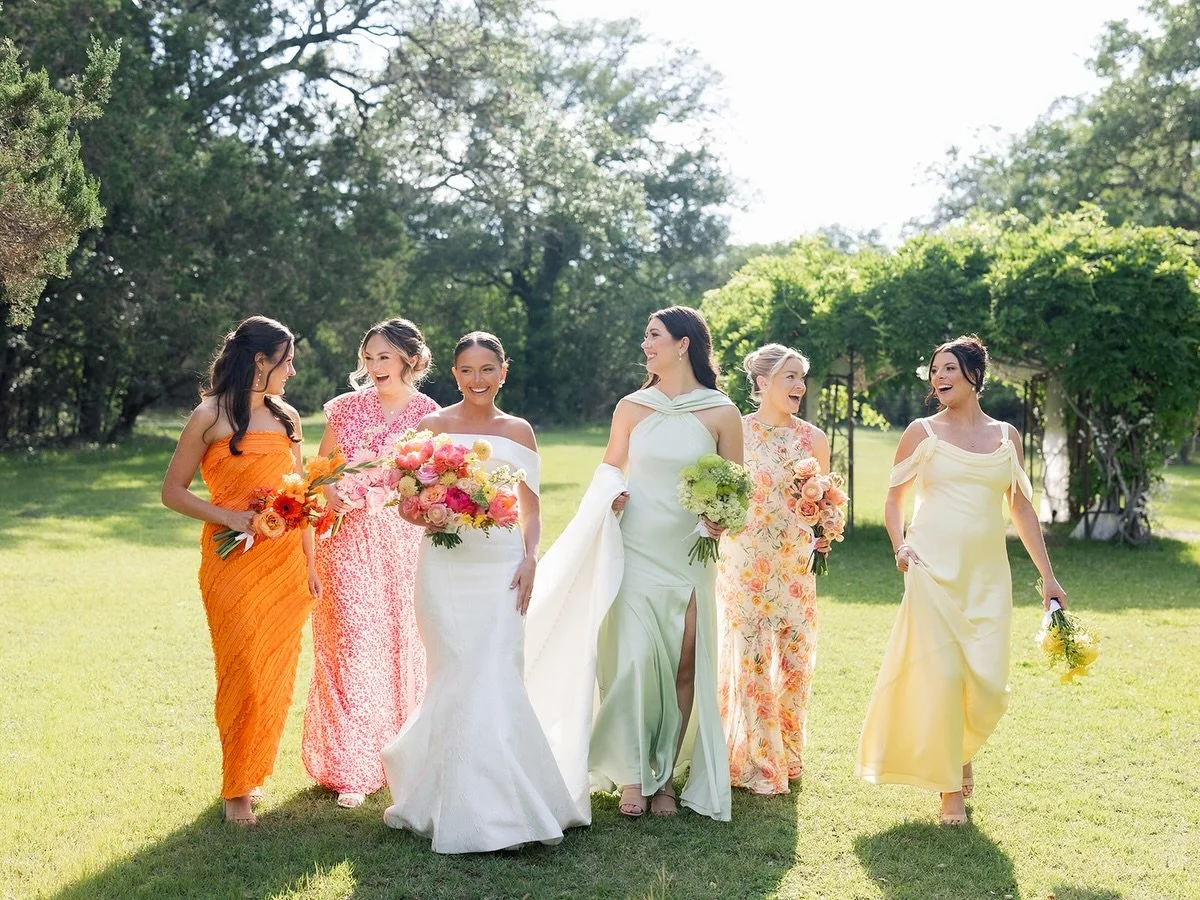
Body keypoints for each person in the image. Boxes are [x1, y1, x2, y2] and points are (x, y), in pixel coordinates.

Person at [380, 331, 583, 853]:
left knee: (494, 673)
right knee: (456, 673)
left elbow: (531, 509)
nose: (478, 379)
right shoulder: (431, 427)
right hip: (446, 567)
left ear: (504, 372)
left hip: (499, 566)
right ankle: (446, 799)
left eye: (488, 369)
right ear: (454, 374)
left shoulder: (519, 430)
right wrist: (425, 507)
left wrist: (530, 557)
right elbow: (405, 503)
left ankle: (502, 808)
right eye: (467, 370)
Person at [854, 334, 1069, 825]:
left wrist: (1049, 578)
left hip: (987, 575)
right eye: (934, 371)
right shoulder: (921, 432)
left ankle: (961, 752)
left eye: (949, 368)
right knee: (945, 674)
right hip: (930, 568)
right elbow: (892, 499)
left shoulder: (1005, 437)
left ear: (975, 375)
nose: (939, 378)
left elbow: (1020, 508)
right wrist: (899, 543)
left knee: (986, 682)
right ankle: (950, 788)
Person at [161, 315, 319, 827]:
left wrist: (311, 564)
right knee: (243, 670)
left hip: (285, 563)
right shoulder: (208, 416)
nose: (292, 371)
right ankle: (235, 790)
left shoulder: (289, 418)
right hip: (231, 561)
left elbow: (301, 496)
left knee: (274, 671)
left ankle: (251, 774)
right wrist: (229, 515)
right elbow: (173, 492)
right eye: (287, 360)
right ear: (260, 360)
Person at [587, 306, 744, 821]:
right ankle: (634, 775)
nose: (645, 344)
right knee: (633, 660)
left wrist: (723, 519)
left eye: (653, 336)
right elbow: (611, 465)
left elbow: (738, 487)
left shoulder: (722, 411)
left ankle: (665, 781)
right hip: (636, 546)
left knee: (683, 664)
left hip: (690, 553)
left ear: (683, 344)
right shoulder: (632, 407)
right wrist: (611, 494)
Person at [301, 318, 439, 808]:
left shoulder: (428, 414)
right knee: (351, 643)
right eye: (369, 358)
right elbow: (318, 472)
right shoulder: (345, 409)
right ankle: (351, 768)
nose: (375, 366)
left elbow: (430, 482)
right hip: (346, 538)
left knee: (400, 644)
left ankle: (399, 754)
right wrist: (332, 488)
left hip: (401, 542)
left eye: (384, 357)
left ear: (408, 359)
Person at [715, 344, 831, 795]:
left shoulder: (813, 439)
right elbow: (722, 496)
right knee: (753, 662)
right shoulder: (735, 433)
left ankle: (790, 752)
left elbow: (824, 501)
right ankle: (761, 764)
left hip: (795, 569)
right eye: (790, 376)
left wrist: (827, 527)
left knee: (797, 662)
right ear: (762, 383)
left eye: (802, 377)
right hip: (745, 565)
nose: (800, 385)